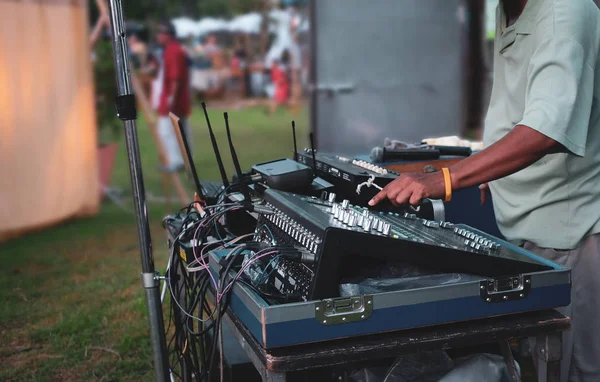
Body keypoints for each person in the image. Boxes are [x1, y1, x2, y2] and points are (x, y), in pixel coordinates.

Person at [369, 0, 600, 380]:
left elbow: (545, 129)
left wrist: (448, 179)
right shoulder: (508, 10)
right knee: (537, 364)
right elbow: (522, 107)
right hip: (525, 227)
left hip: (569, 233)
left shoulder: (567, 11)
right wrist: (490, 169)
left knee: (570, 370)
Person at [156, 20, 192, 172]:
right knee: (181, 129)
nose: (158, 36)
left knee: (166, 131)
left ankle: (176, 161)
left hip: (173, 99)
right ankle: (185, 161)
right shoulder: (175, 50)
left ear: (167, 35)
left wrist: (171, 99)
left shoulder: (173, 51)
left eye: (160, 33)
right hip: (179, 98)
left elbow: (175, 77)